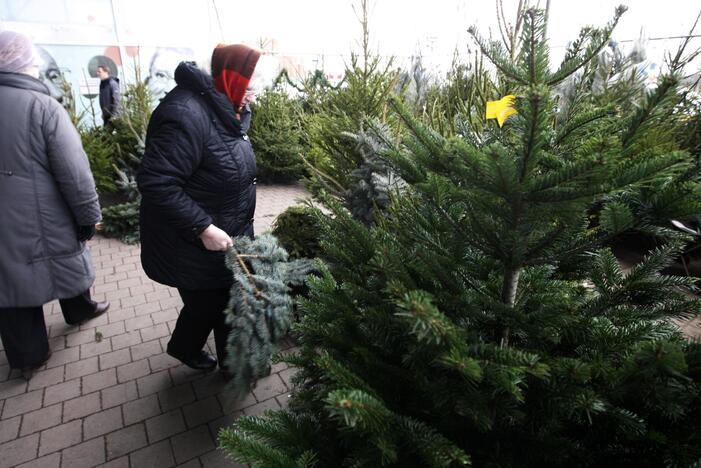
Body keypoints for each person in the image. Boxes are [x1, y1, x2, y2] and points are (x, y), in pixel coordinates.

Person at [137, 44, 261, 372]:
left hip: (225, 233)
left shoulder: (228, 108)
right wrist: (202, 228)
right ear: (228, 78)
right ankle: (237, 371)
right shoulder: (184, 114)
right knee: (221, 305)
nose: (253, 90)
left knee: (205, 304)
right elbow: (157, 183)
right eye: (248, 83)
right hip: (191, 242)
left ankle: (184, 347)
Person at [0, 31, 109, 377]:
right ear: (23, 64)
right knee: (65, 255)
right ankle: (79, 309)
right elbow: (73, 170)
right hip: (41, 213)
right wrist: (89, 215)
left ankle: (29, 355)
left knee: (9, 278)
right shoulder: (41, 105)